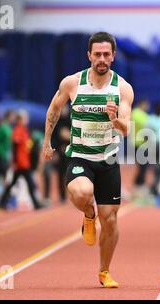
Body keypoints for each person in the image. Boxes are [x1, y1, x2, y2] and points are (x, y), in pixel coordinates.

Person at [42, 32, 134, 288]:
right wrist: (47, 141)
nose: (102, 59)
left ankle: (104, 271)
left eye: (106, 54)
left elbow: (126, 128)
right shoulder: (73, 83)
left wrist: (115, 120)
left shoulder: (123, 88)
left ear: (113, 57)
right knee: (82, 192)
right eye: (97, 54)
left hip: (107, 161)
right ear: (89, 56)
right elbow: (54, 109)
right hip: (80, 156)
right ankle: (87, 213)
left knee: (112, 221)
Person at [0, 110, 42, 210]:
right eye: (24, 118)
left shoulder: (24, 130)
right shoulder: (18, 130)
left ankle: (2, 202)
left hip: (24, 162)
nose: (26, 120)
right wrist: (14, 161)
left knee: (14, 183)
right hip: (21, 163)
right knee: (30, 184)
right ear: (19, 120)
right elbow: (15, 147)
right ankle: (36, 204)